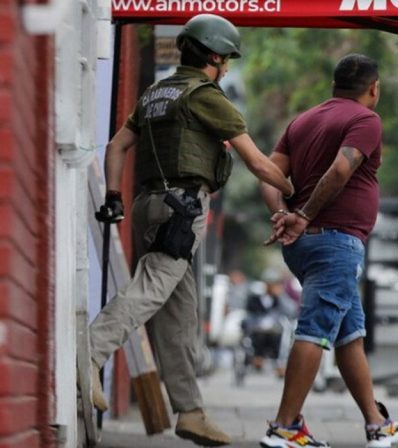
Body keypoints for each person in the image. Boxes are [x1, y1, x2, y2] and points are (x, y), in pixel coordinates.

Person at [88, 13, 293, 447]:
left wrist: (113, 195)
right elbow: (258, 163)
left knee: (179, 311)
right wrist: (293, 192)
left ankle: (191, 412)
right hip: (182, 208)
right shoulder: (205, 96)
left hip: (147, 204)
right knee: (151, 287)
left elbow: (117, 146)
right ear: (214, 57)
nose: (228, 67)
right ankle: (87, 353)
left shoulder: (154, 94)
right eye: (227, 59)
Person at [260, 53, 398, 448]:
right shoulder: (365, 120)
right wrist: (303, 215)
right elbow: (342, 169)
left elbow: (268, 174)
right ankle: (284, 427)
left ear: (334, 85)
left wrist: (281, 213)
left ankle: (376, 423)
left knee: (349, 335)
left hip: (307, 245)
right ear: (374, 88)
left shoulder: (302, 120)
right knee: (315, 330)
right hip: (335, 241)